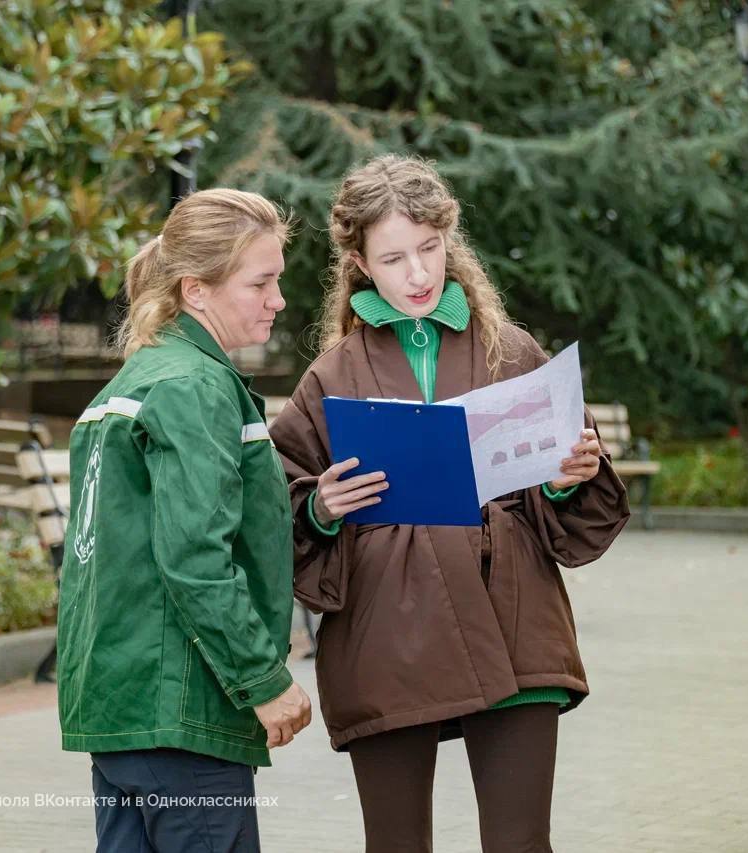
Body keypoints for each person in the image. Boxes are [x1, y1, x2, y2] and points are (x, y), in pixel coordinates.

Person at [268, 155, 631, 853]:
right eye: (395, 257)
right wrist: (321, 505)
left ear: (449, 238)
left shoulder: (511, 348)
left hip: (514, 621)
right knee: (398, 845)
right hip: (388, 637)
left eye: (430, 248)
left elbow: (567, 475)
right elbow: (277, 500)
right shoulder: (332, 374)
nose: (418, 273)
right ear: (361, 263)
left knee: (521, 843)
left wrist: (568, 474)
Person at [57, 188, 312, 853]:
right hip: (183, 713)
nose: (277, 299)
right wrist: (263, 678)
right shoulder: (194, 385)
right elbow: (196, 555)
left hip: (122, 709)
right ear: (196, 290)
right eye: (261, 282)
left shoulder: (134, 381)